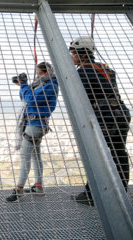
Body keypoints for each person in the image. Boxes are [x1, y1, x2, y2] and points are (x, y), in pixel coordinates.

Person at [69, 36, 131, 206]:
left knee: (97, 155)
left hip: (105, 115)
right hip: (120, 113)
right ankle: (122, 191)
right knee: (119, 152)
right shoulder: (106, 69)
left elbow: (82, 98)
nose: (71, 56)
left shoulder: (83, 71)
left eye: (73, 52)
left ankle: (92, 195)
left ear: (82, 53)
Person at [6, 62, 59, 202]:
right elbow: (24, 97)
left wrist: (24, 85)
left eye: (39, 74)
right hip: (33, 123)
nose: (37, 76)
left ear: (46, 73)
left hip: (35, 124)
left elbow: (30, 100)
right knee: (35, 156)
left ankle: (19, 189)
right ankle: (38, 185)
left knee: (25, 157)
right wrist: (23, 85)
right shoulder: (42, 85)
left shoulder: (51, 85)